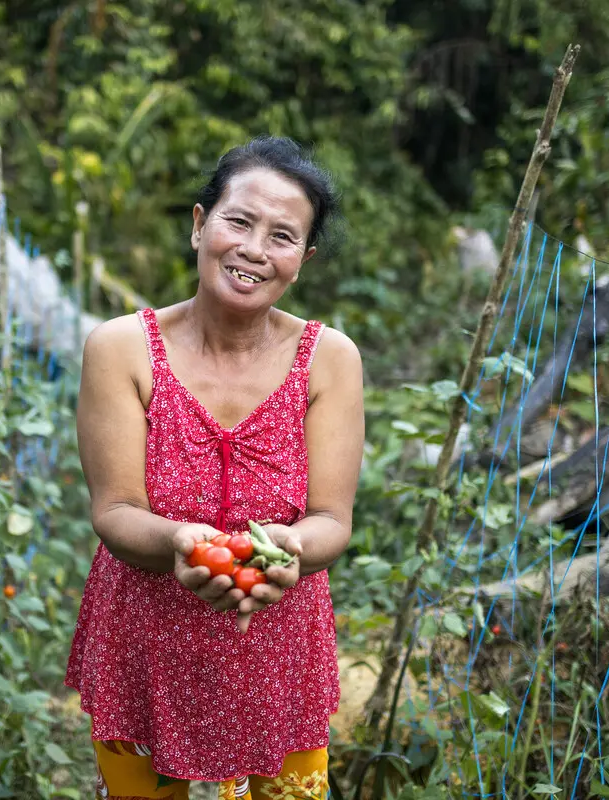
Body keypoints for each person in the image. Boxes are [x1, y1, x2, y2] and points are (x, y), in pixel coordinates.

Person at [64, 136, 366, 799]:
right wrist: (179, 541)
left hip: (278, 646)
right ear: (199, 226)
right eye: (238, 220)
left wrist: (290, 549)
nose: (255, 248)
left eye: (282, 236)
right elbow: (114, 510)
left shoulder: (328, 359)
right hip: (145, 640)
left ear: (302, 260)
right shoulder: (121, 349)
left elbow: (330, 519)